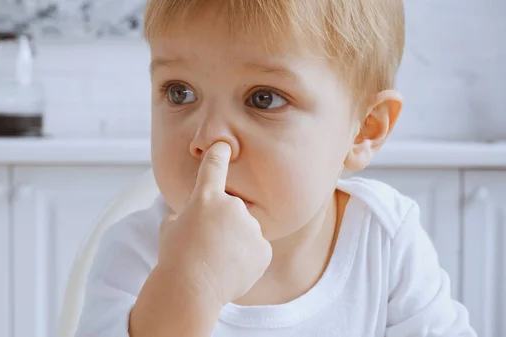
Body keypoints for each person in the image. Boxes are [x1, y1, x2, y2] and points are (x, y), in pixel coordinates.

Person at [75, 0, 477, 336]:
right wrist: (192, 285)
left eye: (263, 99)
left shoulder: (386, 240)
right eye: (180, 93)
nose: (209, 140)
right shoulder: (136, 253)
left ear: (363, 130)